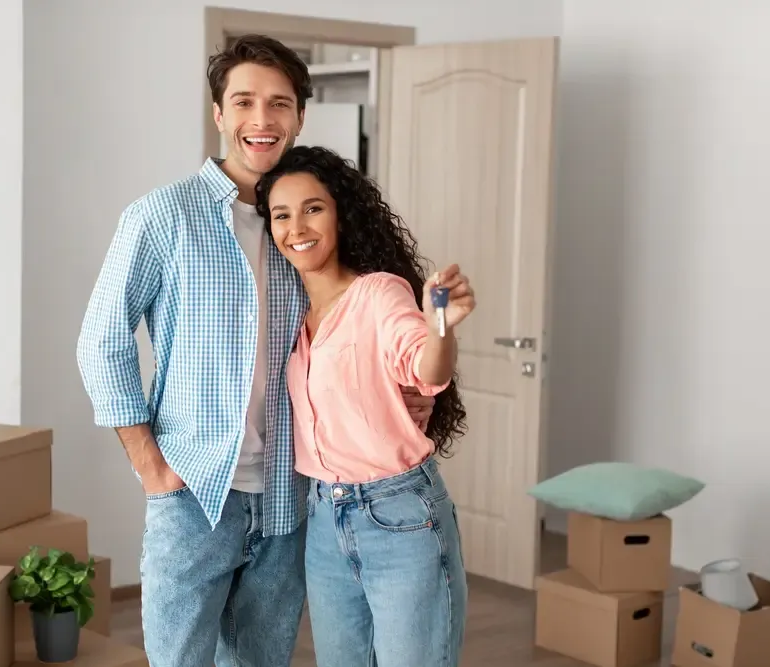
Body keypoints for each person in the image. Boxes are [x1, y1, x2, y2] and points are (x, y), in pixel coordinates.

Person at [75, 35, 434, 667]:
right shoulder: (164, 217)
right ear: (219, 114)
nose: (261, 120)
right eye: (244, 102)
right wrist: (150, 466)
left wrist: (407, 396)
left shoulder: (303, 229)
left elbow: (358, 327)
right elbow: (101, 339)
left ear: (299, 117)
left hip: (289, 500)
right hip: (193, 498)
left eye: (279, 104)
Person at [254, 144, 474, 667]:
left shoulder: (379, 294)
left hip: (399, 516)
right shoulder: (289, 311)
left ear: (340, 214)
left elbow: (425, 369)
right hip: (325, 521)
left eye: (313, 208)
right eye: (281, 215)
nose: (296, 227)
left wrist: (440, 322)